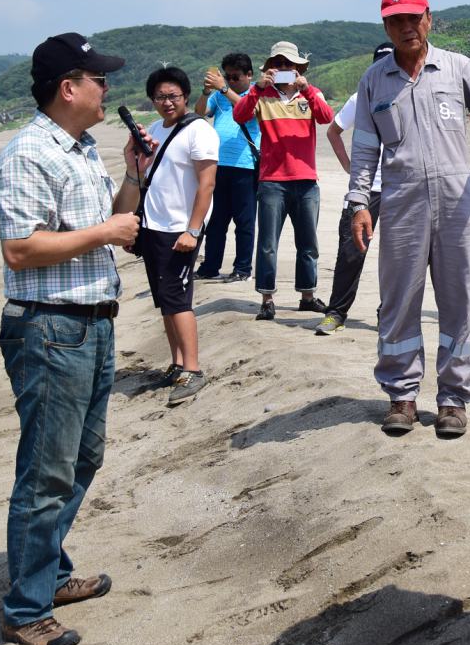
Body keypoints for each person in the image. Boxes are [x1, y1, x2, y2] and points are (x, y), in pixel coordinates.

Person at [0, 32, 141, 645]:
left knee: (82, 459)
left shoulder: (78, 149)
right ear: (67, 88)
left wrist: (132, 175)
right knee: (47, 471)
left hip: (91, 322)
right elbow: (21, 249)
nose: (108, 88)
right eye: (98, 79)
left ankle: (47, 572)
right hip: (51, 327)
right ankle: (25, 608)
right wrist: (107, 227)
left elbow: (110, 221)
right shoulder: (28, 153)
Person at [346, 0, 470, 438]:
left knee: (459, 300)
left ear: (429, 19)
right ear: (385, 26)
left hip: (458, 203)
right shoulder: (374, 81)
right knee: (399, 301)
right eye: (396, 21)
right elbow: (364, 149)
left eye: (413, 18)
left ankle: (453, 400)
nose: (406, 27)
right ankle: (401, 395)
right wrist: (359, 202)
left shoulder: (458, 68)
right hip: (401, 206)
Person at [234, 41, 332, 321]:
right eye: (278, 64)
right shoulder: (261, 96)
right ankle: (267, 298)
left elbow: (326, 117)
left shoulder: (311, 94)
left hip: (306, 180)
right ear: (269, 69)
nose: (284, 69)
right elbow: (239, 115)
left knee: (308, 243)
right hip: (272, 181)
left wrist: (307, 89)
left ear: (298, 68)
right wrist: (256, 88)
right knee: (267, 243)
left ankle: (308, 297)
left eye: (289, 64)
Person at [139, 66, 218, 406]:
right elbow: (148, 179)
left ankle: (194, 369)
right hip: (153, 225)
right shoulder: (156, 128)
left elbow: (207, 183)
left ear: (186, 96)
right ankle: (176, 363)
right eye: (160, 97)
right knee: (165, 300)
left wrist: (193, 229)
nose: (167, 102)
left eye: (173, 96)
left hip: (180, 229)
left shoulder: (199, 130)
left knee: (178, 299)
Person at [318, 42, 395, 336]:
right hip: (366, 190)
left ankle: (387, 313)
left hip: (401, 187)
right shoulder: (361, 96)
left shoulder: (410, 94)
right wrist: (351, 169)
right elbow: (333, 131)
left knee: (397, 255)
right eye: (381, 64)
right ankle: (336, 312)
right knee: (351, 251)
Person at [194, 52, 259, 283]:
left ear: (249, 75)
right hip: (218, 165)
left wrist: (224, 89)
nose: (231, 81)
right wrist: (206, 91)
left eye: (236, 77)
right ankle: (210, 266)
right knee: (216, 221)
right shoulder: (219, 96)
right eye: (227, 77)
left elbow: (248, 110)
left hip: (246, 165)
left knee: (244, 221)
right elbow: (199, 113)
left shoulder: (256, 94)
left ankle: (242, 269)